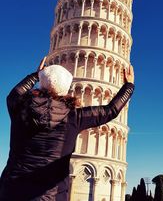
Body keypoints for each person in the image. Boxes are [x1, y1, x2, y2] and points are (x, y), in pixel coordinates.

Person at [0, 57, 134, 201]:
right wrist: (129, 86)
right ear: (66, 89)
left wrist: (35, 75)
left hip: (11, 191)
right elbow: (110, 110)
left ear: (41, 84)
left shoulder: (19, 108)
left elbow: (15, 93)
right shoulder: (74, 117)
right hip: (51, 196)